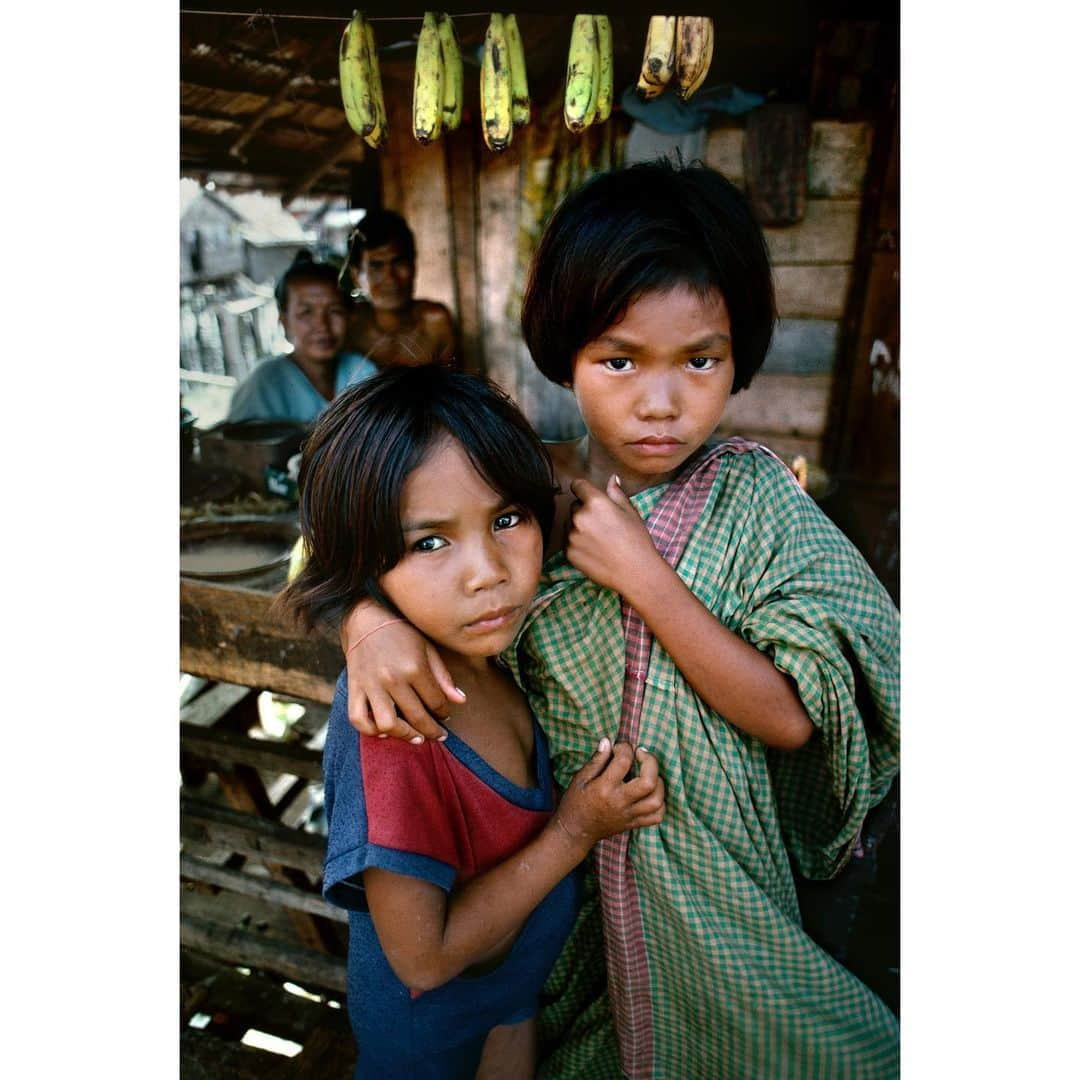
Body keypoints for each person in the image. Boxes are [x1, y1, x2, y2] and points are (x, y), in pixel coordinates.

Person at [335, 161, 901, 1078]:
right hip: (566, 901)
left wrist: (646, 578)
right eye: (620, 359)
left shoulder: (756, 500)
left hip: (724, 898)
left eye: (701, 360)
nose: (660, 402)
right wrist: (366, 623)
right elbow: (357, 547)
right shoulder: (515, 491)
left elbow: (798, 716)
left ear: (739, 354)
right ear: (565, 351)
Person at [281, 367, 666, 1079]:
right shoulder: (397, 726)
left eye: (506, 520)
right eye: (431, 542)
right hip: (429, 1041)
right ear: (363, 556)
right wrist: (576, 830)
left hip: (512, 992)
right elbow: (424, 957)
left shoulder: (499, 650)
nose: (486, 571)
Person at [227, 251, 377, 424]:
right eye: (306, 313)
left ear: (350, 316)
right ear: (284, 321)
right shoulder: (265, 383)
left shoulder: (360, 370)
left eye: (335, 311)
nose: (322, 325)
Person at [342, 209, 459, 369]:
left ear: (413, 266)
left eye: (399, 263)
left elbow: (454, 390)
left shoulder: (435, 323)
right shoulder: (349, 327)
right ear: (356, 276)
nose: (390, 278)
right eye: (376, 266)